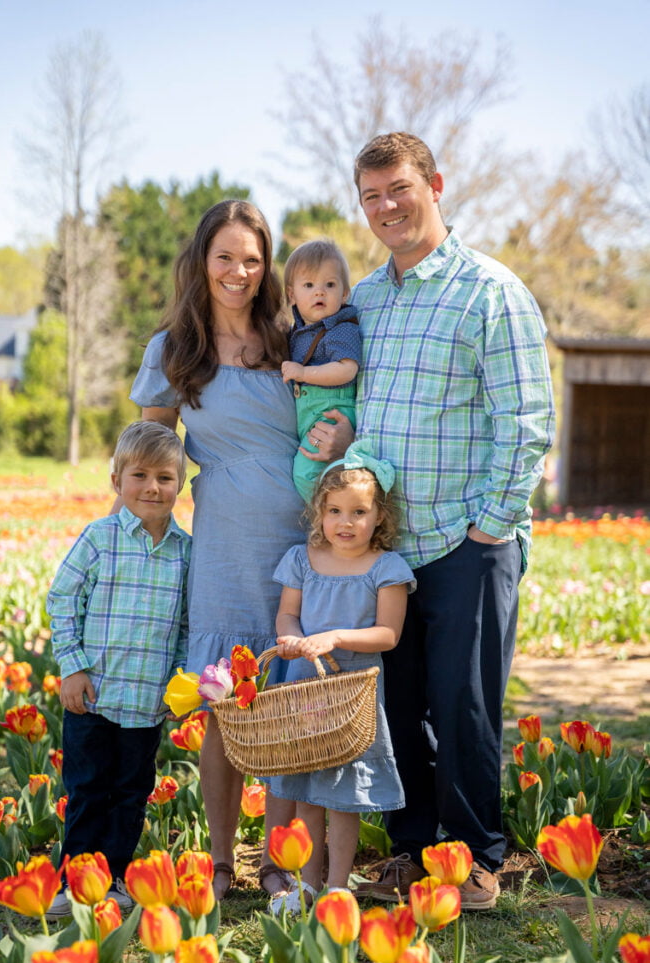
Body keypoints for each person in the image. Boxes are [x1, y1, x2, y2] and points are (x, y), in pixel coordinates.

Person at [308, 132, 555, 910]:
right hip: (385, 547)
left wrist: (492, 524)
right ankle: (415, 852)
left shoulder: (490, 291)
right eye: (371, 196)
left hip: (464, 540)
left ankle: (477, 858)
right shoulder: (367, 302)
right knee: (392, 704)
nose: (386, 207)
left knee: (463, 703)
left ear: (435, 184)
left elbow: (525, 418)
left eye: (399, 189)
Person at [129, 200, 305, 900]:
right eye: (226, 256)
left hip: (304, 546)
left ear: (268, 267)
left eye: (253, 259)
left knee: (293, 708)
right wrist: (128, 544)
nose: (239, 271)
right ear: (202, 260)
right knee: (225, 707)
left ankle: (282, 861)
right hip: (227, 545)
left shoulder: (295, 340)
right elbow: (148, 456)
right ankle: (224, 862)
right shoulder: (174, 348)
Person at [46, 420, 191, 920]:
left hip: (146, 701)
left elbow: (188, 627)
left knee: (131, 792)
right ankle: (73, 880)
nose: (153, 487)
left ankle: (113, 879)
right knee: (86, 788)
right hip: (93, 695)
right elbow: (62, 599)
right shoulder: (99, 538)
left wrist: (179, 687)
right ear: (117, 481)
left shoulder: (186, 553)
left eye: (166, 477)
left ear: (181, 483)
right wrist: (72, 667)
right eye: (140, 475)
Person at [267, 441, 415, 913]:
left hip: (353, 692)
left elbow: (388, 633)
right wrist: (292, 639)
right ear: (319, 513)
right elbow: (287, 617)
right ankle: (307, 886)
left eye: (358, 512)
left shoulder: (385, 568)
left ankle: (336, 887)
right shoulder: (302, 559)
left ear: (378, 517)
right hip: (304, 685)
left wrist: (332, 637)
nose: (345, 523)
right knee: (308, 790)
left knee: (343, 795)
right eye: (334, 511)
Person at [281, 238, 361, 501]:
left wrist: (303, 374)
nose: (320, 292)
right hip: (311, 416)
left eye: (330, 284)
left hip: (331, 413)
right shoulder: (299, 332)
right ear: (292, 294)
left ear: (345, 293)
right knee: (319, 473)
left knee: (305, 475)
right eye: (309, 285)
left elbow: (346, 370)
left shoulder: (340, 328)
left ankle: (326, 523)